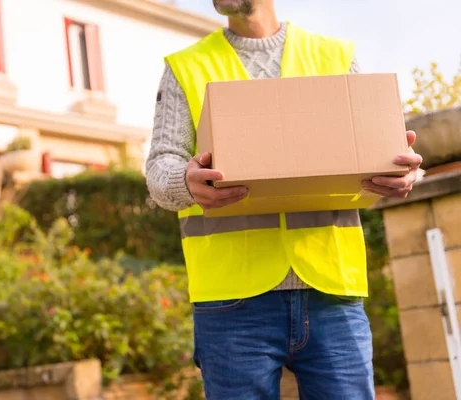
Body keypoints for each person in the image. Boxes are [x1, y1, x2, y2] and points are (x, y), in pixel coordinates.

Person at [145, 0, 422, 399]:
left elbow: (379, 150)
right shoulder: (185, 66)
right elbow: (159, 171)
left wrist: (403, 172)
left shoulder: (335, 56)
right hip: (231, 302)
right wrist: (185, 182)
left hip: (332, 293)